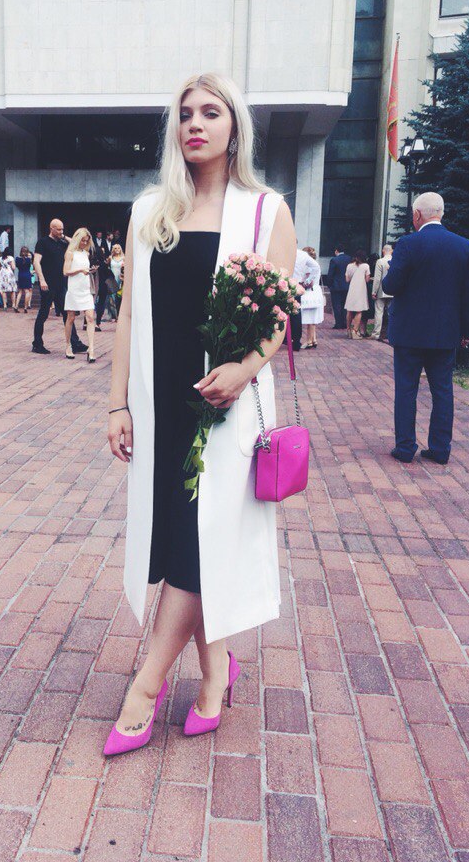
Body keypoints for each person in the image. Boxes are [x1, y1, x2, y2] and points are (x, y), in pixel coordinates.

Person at [104, 72, 296, 757]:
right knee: (187, 543)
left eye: (211, 112)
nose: (195, 123)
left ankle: (146, 688)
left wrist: (245, 369)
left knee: (195, 542)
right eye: (185, 113)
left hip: (225, 408)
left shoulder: (265, 210)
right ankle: (216, 674)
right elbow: (129, 314)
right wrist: (118, 402)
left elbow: (278, 315)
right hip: (162, 408)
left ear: (234, 126)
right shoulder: (151, 211)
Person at [382, 192, 469, 465]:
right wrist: (467, 331)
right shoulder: (464, 246)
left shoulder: (408, 244)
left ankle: (405, 447)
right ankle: (440, 449)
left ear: (417, 215)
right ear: (441, 213)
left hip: (409, 333)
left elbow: (391, 286)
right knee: (443, 391)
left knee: (406, 390)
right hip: (445, 332)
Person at [31, 219, 87, 355]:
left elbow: (76, 244)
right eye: (59, 229)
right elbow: (36, 262)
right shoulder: (43, 242)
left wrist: (64, 236)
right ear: (52, 228)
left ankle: (75, 343)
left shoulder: (63, 243)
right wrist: (41, 280)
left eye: (62, 229)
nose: (61, 231)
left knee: (68, 314)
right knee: (43, 314)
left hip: (61, 284)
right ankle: (37, 344)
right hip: (47, 284)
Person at [63, 228, 98, 362]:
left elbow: (84, 270)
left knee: (90, 318)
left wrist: (89, 270)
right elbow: (66, 272)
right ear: (77, 239)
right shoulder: (70, 253)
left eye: (87, 241)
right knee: (70, 318)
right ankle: (68, 345)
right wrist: (80, 270)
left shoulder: (86, 253)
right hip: (74, 290)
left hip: (85, 289)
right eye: (82, 240)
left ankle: (91, 349)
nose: (84, 243)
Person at [290, 245, 314, 351]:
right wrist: (305, 282)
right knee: (296, 313)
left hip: (286, 283)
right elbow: (316, 267)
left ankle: (288, 339)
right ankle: (296, 340)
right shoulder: (303, 255)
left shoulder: (285, 251)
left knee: (288, 312)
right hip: (296, 284)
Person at [299, 246, 324, 349]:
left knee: (309, 318)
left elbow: (309, 282)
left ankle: (309, 341)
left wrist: (301, 283)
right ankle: (314, 339)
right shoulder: (317, 264)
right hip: (316, 291)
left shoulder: (309, 267)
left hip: (310, 292)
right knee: (313, 318)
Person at [344, 250, 370, 339]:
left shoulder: (349, 266)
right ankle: (355, 331)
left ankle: (348, 330)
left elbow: (347, 279)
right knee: (359, 311)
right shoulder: (365, 266)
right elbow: (367, 280)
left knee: (349, 310)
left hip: (352, 289)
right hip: (361, 289)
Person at [371, 244, 393, 341]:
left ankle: (376, 333)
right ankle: (391, 333)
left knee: (379, 312)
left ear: (383, 251)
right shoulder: (395, 260)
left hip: (381, 290)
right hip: (392, 291)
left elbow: (377, 278)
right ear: (392, 251)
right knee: (391, 313)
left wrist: (374, 291)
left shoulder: (380, 261)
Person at [327, 245, 352, 329]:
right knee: (345, 305)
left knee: (337, 305)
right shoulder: (349, 259)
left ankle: (338, 323)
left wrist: (329, 284)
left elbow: (330, 274)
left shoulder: (334, 260)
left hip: (336, 286)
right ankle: (345, 323)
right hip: (347, 285)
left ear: (336, 251)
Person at [93, 230, 113, 331]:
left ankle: (86, 323)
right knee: (101, 304)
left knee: (90, 304)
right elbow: (110, 275)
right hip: (103, 286)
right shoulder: (104, 265)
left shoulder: (93, 264)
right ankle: (97, 323)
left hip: (93, 285)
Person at [108, 243, 125, 317]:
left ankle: (119, 314)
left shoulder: (124, 258)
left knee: (120, 296)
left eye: (118, 248)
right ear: (113, 250)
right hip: (112, 279)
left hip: (120, 279)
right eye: (115, 248)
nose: (117, 249)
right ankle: (113, 315)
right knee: (112, 297)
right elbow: (108, 267)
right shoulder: (110, 258)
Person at [15, 247, 33, 311]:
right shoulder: (28, 259)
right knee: (27, 291)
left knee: (20, 291)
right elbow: (29, 266)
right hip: (27, 275)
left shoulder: (17, 259)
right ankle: (25, 307)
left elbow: (17, 266)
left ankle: (16, 306)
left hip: (20, 275)